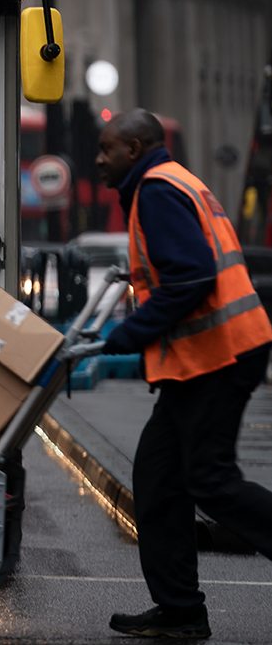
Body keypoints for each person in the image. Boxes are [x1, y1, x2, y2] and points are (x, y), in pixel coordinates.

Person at [96, 109, 272, 638]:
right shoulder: (171, 182)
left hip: (222, 354)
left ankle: (180, 610)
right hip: (207, 358)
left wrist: (130, 333)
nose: (98, 159)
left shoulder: (156, 189)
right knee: (158, 479)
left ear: (134, 147)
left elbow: (191, 275)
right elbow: (183, 263)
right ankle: (180, 612)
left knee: (210, 481)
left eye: (106, 149)